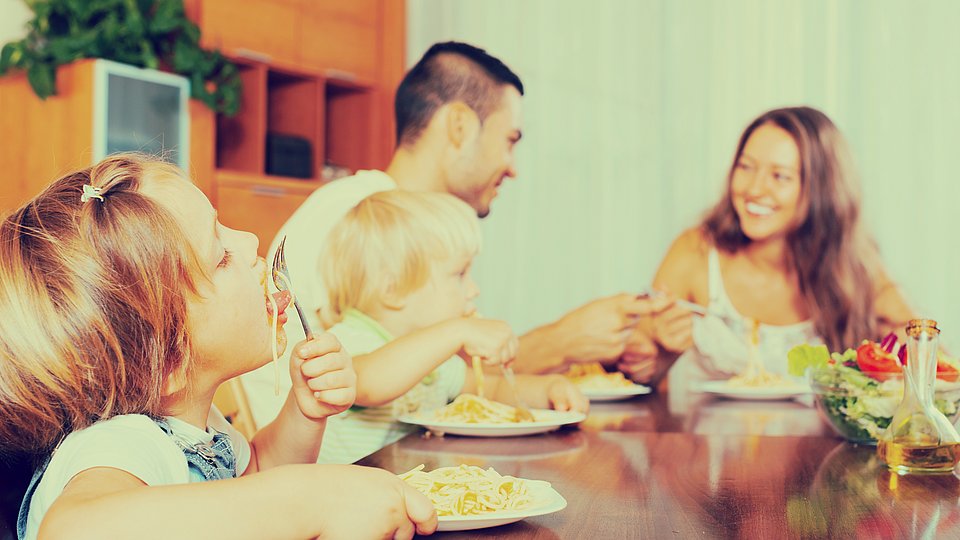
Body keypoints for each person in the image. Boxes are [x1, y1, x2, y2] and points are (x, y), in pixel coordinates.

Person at [0, 154, 437, 540]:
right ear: (168, 358)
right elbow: (74, 531)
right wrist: (310, 499)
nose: (247, 242)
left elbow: (259, 473)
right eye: (221, 255)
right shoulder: (123, 442)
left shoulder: (197, 423)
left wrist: (303, 413)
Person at [243, 41, 665, 424]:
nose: (513, 166)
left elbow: (454, 373)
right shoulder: (357, 218)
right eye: (510, 140)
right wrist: (563, 341)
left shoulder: (420, 232)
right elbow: (359, 374)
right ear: (460, 126)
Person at [640, 106, 914, 391]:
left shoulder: (853, 267)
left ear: (822, 189)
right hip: (706, 436)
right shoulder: (696, 251)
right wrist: (658, 352)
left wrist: (898, 355)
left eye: (780, 176)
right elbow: (631, 370)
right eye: (745, 167)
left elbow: (931, 358)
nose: (754, 189)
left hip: (817, 437)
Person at [316, 190, 589, 464]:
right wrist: (457, 330)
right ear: (394, 290)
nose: (473, 290)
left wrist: (548, 390)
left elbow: (489, 391)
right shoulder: (345, 343)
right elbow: (367, 383)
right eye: (459, 274)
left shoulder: (434, 359)